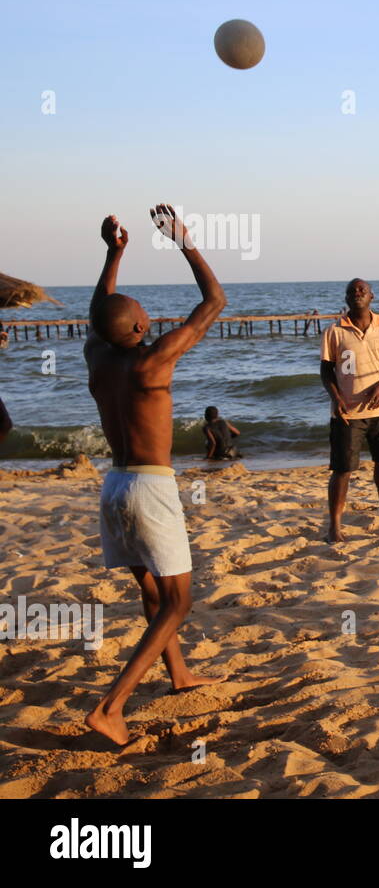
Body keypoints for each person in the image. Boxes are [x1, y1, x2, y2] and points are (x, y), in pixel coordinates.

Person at [83, 207, 227, 745]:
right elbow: (213, 302)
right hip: (150, 487)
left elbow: (100, 314)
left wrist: (113, 254)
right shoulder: (153, 362)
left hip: (114, 484)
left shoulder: (98, 357)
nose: (153, 319)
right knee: (178, 602)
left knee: (151, 587)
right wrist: (184, 242)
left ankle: (180, 674)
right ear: (141, 328)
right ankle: (110, 707)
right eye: (146, 315)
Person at [320, 278, 379, 542]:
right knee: (342, 470)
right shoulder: (334, 331)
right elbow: (326, 370)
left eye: (362, 290)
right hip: (347, 412)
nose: (357, 293)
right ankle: (334, 525)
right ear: (346, 299)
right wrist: (335, 398)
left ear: (371, 296)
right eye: (352, 291)